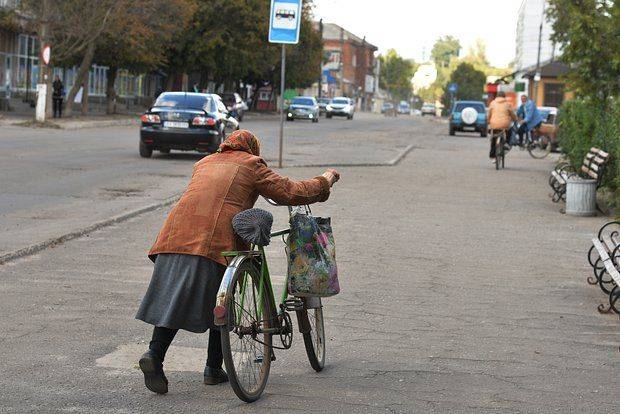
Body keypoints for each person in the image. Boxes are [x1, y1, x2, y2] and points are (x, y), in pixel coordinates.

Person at [135, 130, 340, 395]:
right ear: (252, 149)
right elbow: (289, 191)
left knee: (176, 297)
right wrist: (325, 181)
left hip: (175, 236)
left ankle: (161, 356)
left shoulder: (205, 162)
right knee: (223, 299)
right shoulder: (251, 164)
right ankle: (207, 367)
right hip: (214, 240)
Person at [487, 91, 518, 163]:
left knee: (494, 139)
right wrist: (515, 119)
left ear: (497, 96)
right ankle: (507, 143)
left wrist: (488, 121)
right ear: (504, 97)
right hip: (505, 124)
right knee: (509, 130)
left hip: (494, 124)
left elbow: (489, 114)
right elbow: (512, 114)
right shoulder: (507, 104)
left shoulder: (492, 103)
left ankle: (493, 156)